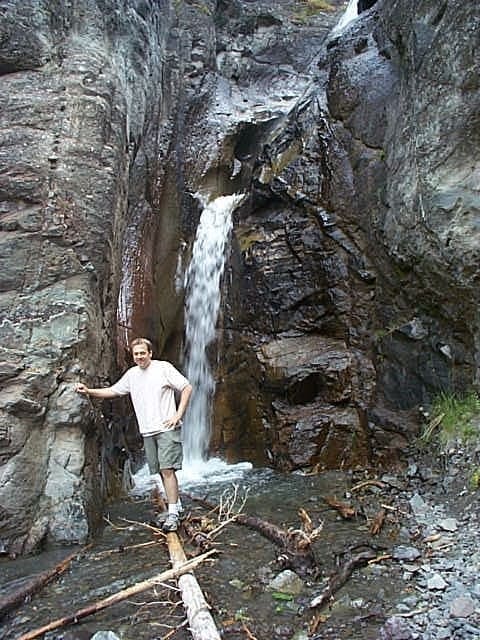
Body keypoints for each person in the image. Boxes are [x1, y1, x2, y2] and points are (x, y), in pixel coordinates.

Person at [76, 337, 193, 532]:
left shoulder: (163, 368)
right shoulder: (132, 375)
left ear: (150, 353)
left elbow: (186, 387)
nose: (139, 356)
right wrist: (88, 391)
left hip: (166, 428)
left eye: (142, 353)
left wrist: (178, 415)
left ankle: (173, 513)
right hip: (148, 430)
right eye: (136, 353)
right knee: (160, 470)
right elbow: (113, 391)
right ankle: (176, 506)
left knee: (167, 470)